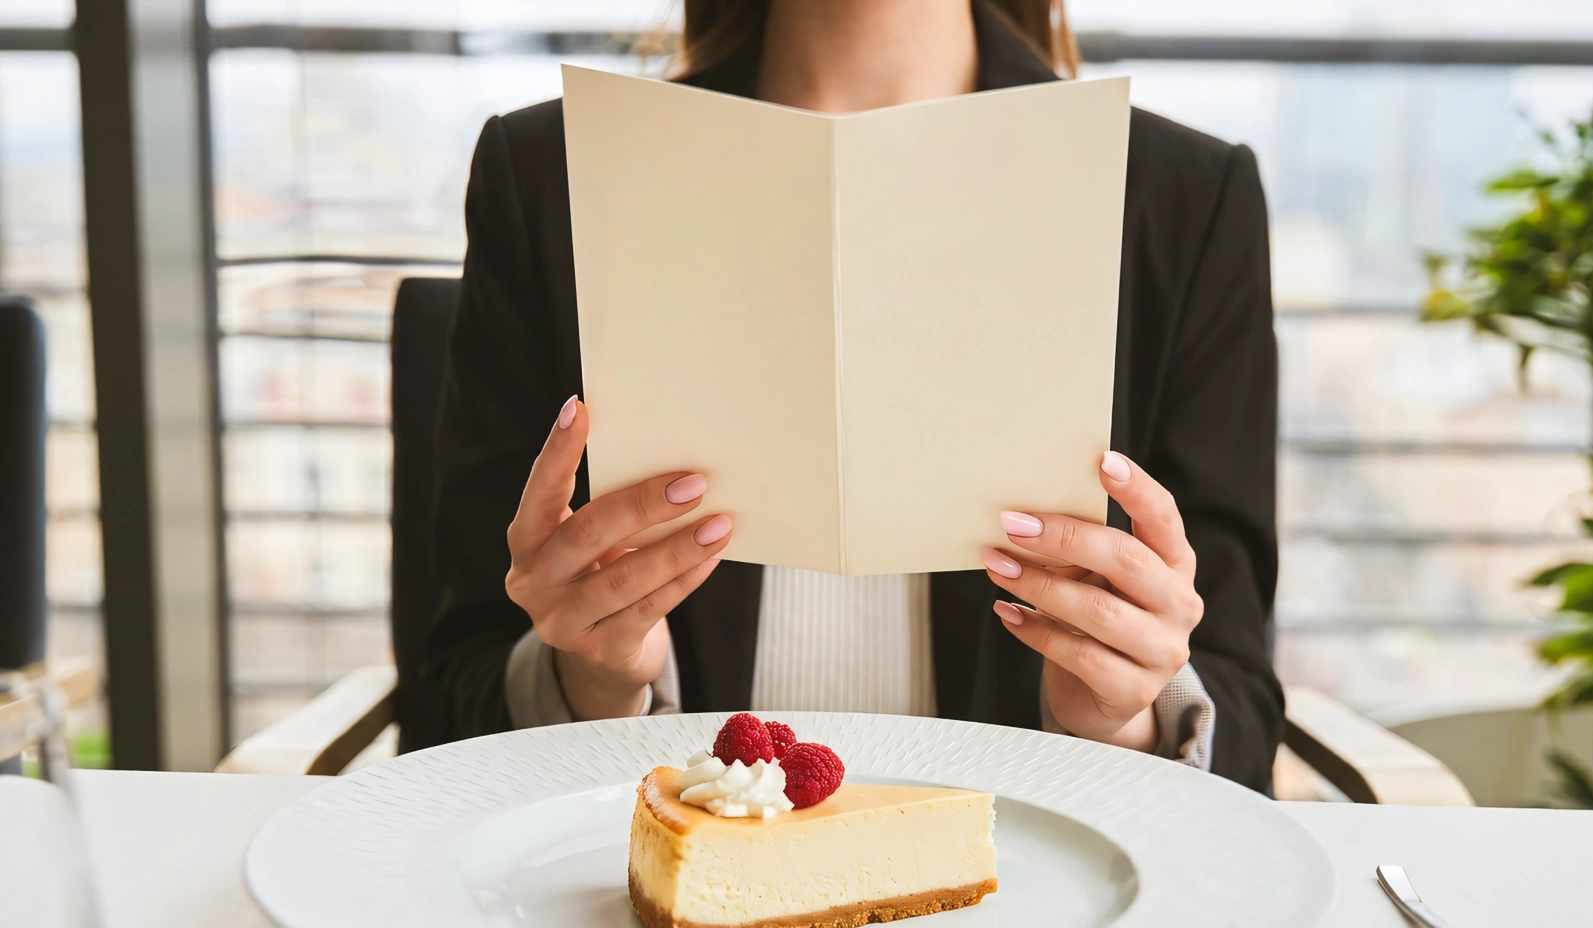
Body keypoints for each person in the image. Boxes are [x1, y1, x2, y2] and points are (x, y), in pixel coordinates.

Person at [422, 0, 1283, 791]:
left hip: (1030, 902)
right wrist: (590, 676)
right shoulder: (554, 179)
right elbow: (449, 695)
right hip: (652, 903)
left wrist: (1125, 717)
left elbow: (1239, 705)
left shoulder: (1182, 200)